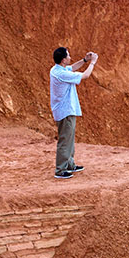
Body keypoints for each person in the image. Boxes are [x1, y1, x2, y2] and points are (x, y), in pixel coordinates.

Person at [49, 47, 97, 179]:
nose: (70, 58)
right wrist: (92, 62)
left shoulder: (57, 69)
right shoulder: (62, 74)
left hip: (66, 110)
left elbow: (72, 68)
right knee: (65, 140)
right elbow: (85, 75)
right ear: (63, 59)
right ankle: (60, 170)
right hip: (65, 111)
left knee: (69, 139)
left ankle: (69, 164)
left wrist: (85, 60)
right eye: (68, 56)